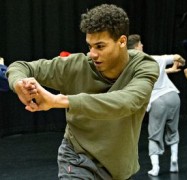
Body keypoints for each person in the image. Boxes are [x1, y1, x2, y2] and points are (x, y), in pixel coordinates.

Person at [6, 4, 159, 180]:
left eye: (100, 46)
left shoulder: (144, 66)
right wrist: (19, 83)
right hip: (77, 159)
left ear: (122, 42)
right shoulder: (76, 65)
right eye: (90, 46)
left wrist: (58, 101)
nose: (93, 54)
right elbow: (20, 67)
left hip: (119, 168)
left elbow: (127, 101)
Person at [127, 34, 185, 176]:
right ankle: (174, 159)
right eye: (140, 44)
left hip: (157, 101)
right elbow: (178, 57)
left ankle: (155, 167)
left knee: (155, 134)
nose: (142, 46)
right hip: (173, 96)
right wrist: (179, 64)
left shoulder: (129, 65)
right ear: (136, 47)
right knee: (173, 129)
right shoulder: (155, 58)